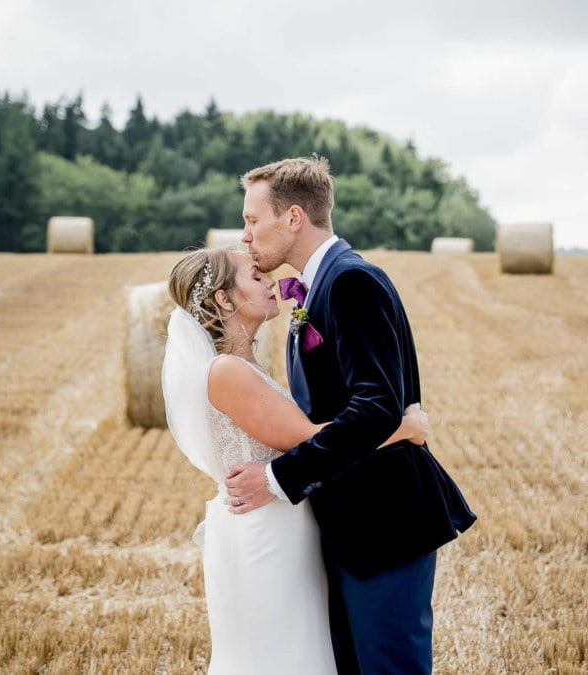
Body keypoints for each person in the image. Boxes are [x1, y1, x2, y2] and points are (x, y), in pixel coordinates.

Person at [224, 156, 477, 674]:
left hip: (383, 524)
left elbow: (376, 406)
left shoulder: (351, 282)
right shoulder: (318, 288)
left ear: (293, 218)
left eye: (253, 220)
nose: (245, 235)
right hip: (347, 526)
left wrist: (276, 477)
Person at [162, 246, 431, 675]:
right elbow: (307, 439)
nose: (270, 281)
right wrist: (404, 428)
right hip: (265, 534)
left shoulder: (244, 365)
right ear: (225, 300)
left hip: (282, 523)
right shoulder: (227, 370)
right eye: (254, 277)